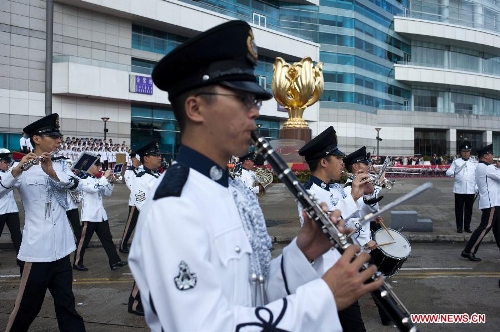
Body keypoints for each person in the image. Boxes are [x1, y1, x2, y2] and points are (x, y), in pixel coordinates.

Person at [129, 20, 384, 331]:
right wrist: (323, 296)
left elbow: (253, 294)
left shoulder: (232, 189)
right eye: (242, 98)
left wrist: (303, 251)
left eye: (255, 101)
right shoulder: (173, 208)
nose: (254, 111)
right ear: (195, 108)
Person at [0, 113, 86, 332]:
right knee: (27, 308)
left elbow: (76, 185)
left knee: (67, 305)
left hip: (62, 249)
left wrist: (53, 173)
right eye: (53, 135)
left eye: (59, 135)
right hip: (37, 251)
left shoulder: (61, 164)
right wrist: (17, 170)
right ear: (37, 139)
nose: (59, 139)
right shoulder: (20, 168)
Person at [298, 131, 372, 331]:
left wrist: (366, 195)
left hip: (343, 270)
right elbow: (327, 227)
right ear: (324, 162)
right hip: (325, 277)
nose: (342, 162)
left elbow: (354, 218)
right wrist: (353, 199)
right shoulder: (308, 193)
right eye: (338, 158)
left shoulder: (336, 189)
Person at [342, 146, 392, 326]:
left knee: (375, 279)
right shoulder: (349, 190)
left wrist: (373, 207)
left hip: (365, 240)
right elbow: (347, 222)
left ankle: (387, 316)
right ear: (356, 167)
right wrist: (365, 241)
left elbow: (367, 210)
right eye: (365, 163)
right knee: (374, 280)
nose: (369, 165)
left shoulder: (363, 185)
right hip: (358, 244)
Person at [73, 155, 127, 271]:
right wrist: (104, 178)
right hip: (89, 216)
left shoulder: (96, 179)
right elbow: (93, 188)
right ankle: (77, 262)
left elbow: (106, 193)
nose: (99, 167)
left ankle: (115, 261)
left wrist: (110, 182)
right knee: (83, 241)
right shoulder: (82, 179)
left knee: (107, 239)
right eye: (96, 165)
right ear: (89, 166)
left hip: (100, 215)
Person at [128, 141, 162, 316]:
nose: (160, 157)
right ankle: (135, 302)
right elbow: (141, 203)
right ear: (146, 158)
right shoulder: (140, 179)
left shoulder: (157, 177)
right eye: (156, 155)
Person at [461, 144, 500, 261]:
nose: (493, 156)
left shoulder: (485, 167)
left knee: (498, 229)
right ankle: (468, 251)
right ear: (486, 155)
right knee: (484, 227)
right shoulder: (486, 167)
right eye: (491, 154)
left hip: (494, 203)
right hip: (491, 203)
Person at [0, 149, 24, 274]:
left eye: (8, 162)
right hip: (0, 210)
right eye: (5, 162)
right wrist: (11, 179)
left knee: (17, 236)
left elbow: (19, 183)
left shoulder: (9, 172)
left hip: (12, 208)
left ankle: (21, 260)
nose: (8, 164)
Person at [445, 141, 477, 233]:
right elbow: (449, 171)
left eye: (467, 151)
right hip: (459, 189)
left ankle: (467, 227)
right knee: (459, 210)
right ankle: (459, 227)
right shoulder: (456, 162)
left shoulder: (474, 162)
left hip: (470, 189)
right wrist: (451, 173)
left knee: (469, 210)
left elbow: (477, 175)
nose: (466, 153)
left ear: (470, 152)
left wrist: (477, 186)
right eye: (464, 151)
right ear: (461, 152)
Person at [119, 152, 143, 254]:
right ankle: (122, 245)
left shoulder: (143, 170)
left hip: (144, 203)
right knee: (130, 225)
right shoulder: (129, 172)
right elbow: (132, 187)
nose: (140, 160)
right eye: (137, 158)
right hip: (134, 203)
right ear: (133, 160)